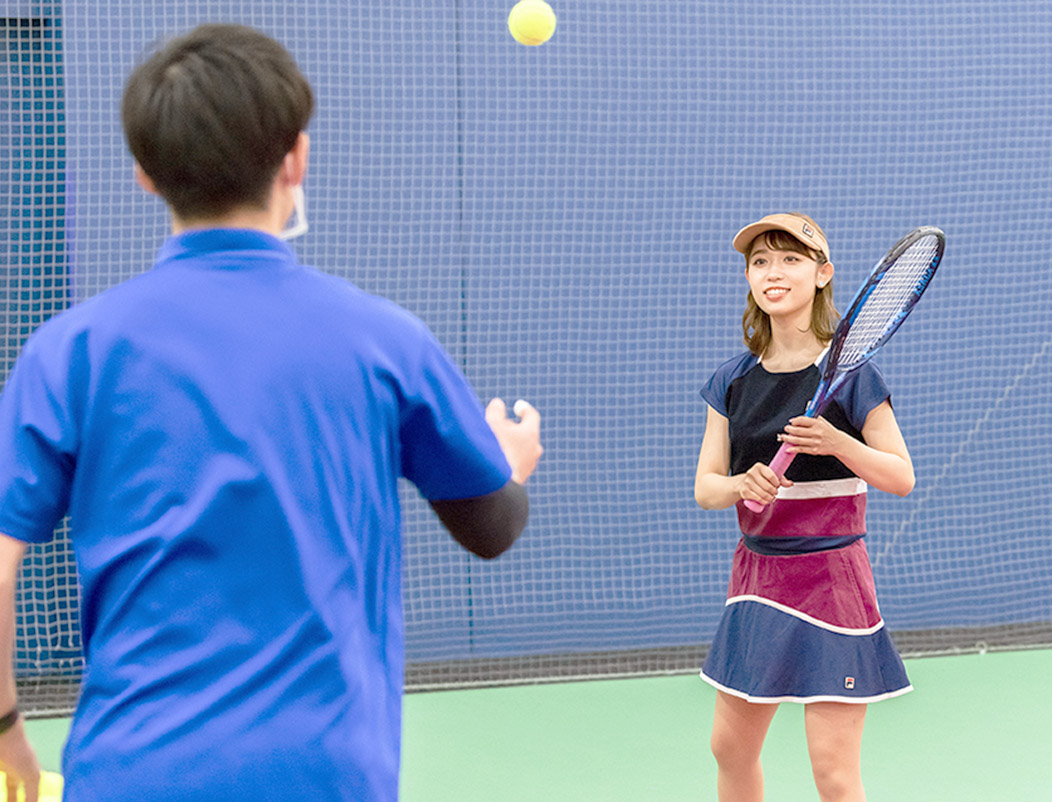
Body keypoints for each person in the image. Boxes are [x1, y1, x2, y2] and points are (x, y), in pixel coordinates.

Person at [0, 23, 542, 802]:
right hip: (328, 776)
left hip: (130, 773)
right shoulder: (383, 339)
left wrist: (7, 733)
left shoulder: (67, 352)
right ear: (297, 157)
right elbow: (492, 528)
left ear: (145, 175)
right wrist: (510, 463)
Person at [693, 213, 913, 802]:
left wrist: (838, 442)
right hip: (758, 578)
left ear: (822, 275)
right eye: (760, 261)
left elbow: (901, 476)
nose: (773, 273)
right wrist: (742, 484)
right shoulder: (731, 381)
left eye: (791, 259)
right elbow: (707, 488)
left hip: (830, 582)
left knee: (833, 771)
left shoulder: (852, 378)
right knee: (729, 748)